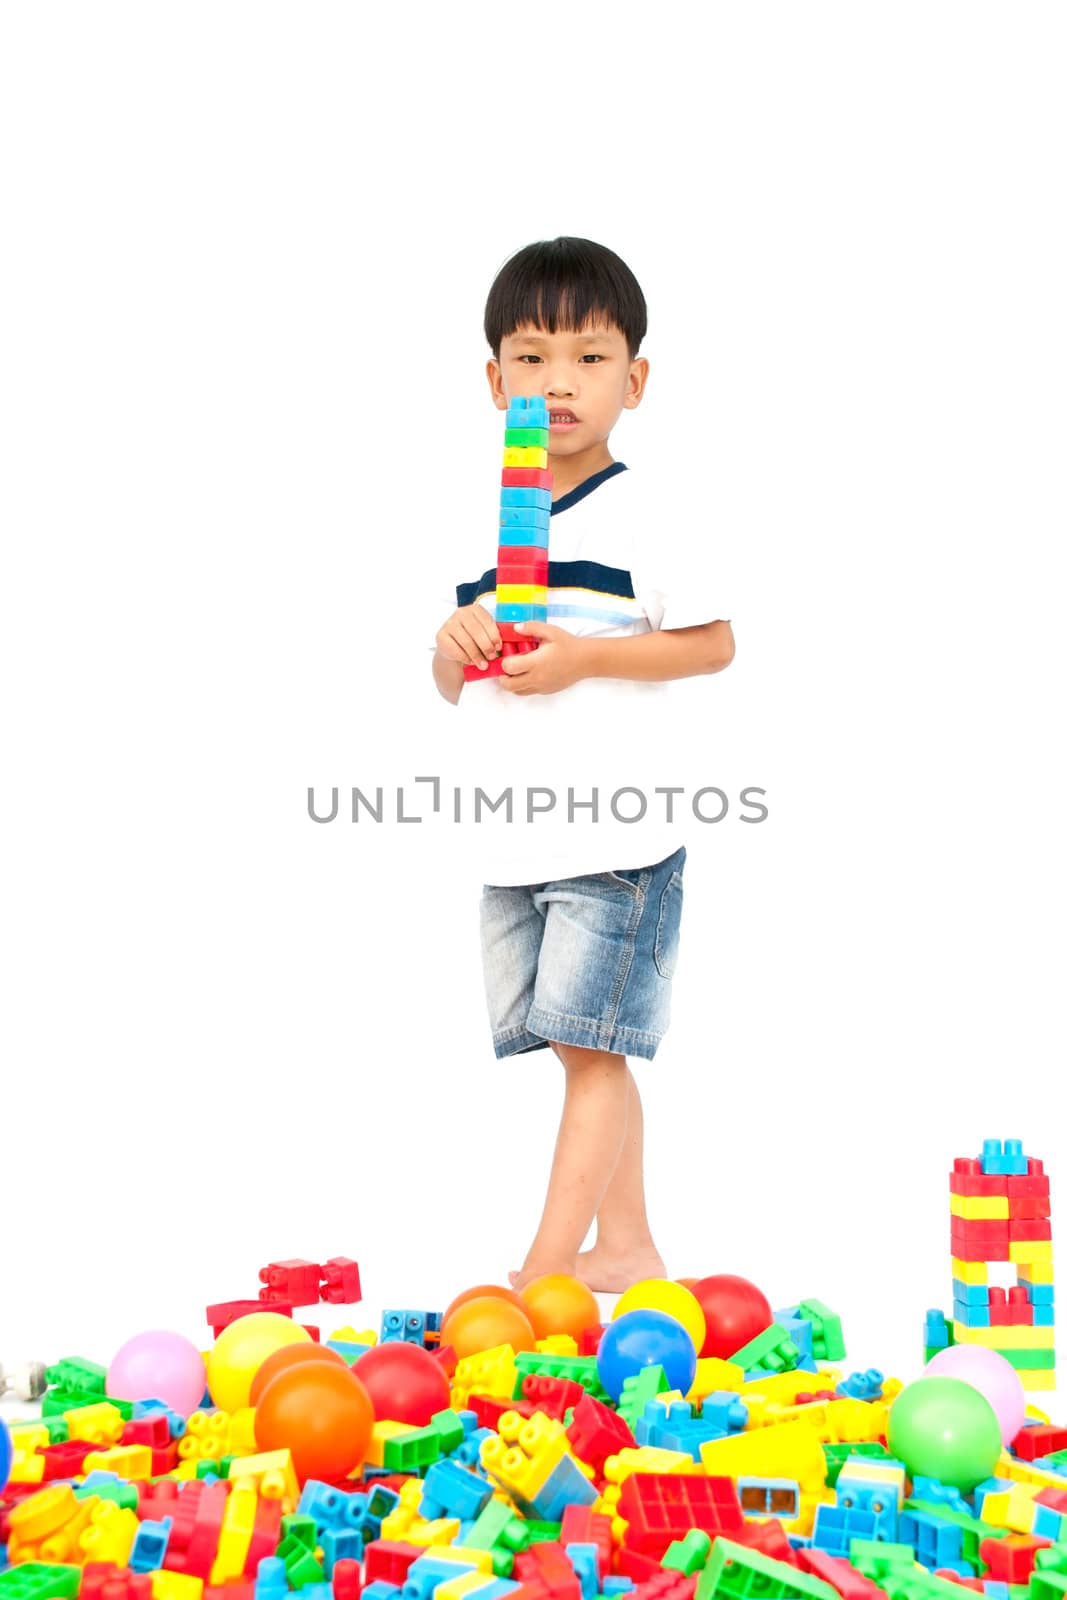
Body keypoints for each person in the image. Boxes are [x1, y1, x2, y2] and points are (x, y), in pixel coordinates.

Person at [430, 237, 735, 1292]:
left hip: (616, 834)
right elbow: (451, 683)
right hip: (515, 835)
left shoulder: (651, 512)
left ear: (633, 380)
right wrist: (450, 646)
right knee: (578, 1045)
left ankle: (541, 1273)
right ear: (493, 379)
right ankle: (631, 1245)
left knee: (594, 1049)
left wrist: (585, 661)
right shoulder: (483, 517)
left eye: (589, 358)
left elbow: (710, 642)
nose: (557, 382)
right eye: (529, 357)